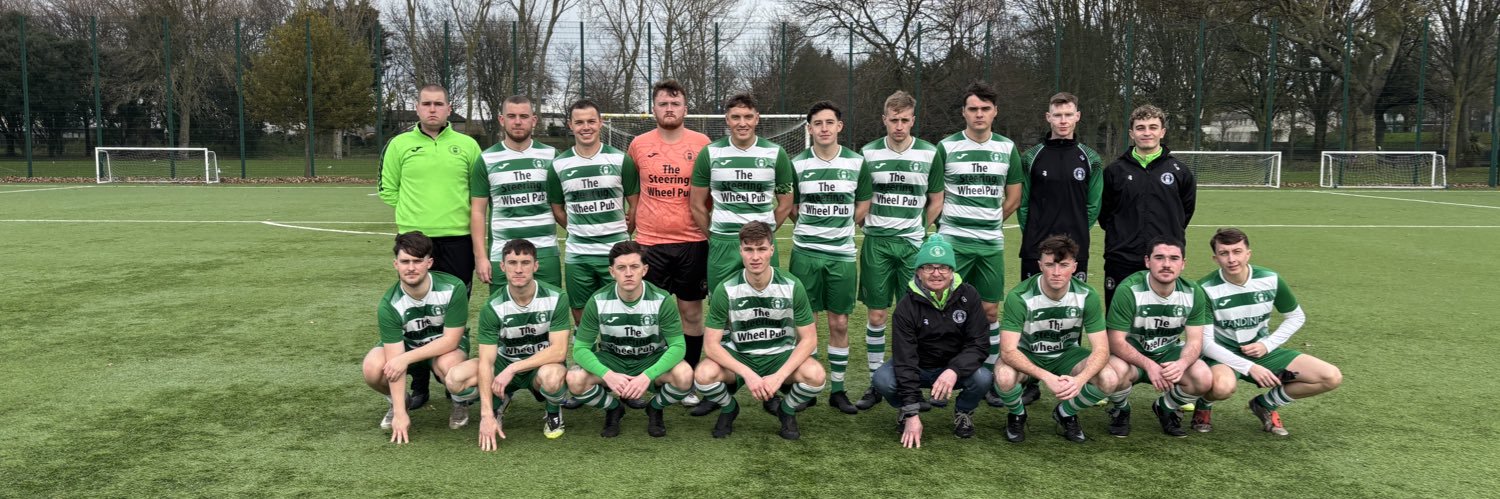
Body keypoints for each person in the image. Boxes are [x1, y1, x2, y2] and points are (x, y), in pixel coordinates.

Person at [377, 84, 482, 408]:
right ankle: (419, 381)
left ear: (450, 109)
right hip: (415, 239)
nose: (432, 109)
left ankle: (454, 381)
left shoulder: (467, 145)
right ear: (418, 108)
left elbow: (478, 194)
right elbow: (387, 189)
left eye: (439, 104)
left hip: (457, 238)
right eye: (427, 104)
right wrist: (414, 217)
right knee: (416, 309)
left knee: (451, 307)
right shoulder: (399, 145)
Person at [1195, 228, 1342, 436]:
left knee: (1330, 377)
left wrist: (1267, 345)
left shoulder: (1270, 279)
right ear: (1215, 258)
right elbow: (1206, 344)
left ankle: (1265, 404)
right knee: (1222, 388)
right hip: (1222, 355)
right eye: (1224, 253)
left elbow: (1296, 316)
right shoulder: (1204, 289)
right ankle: (1204, 403)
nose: (1231, 259)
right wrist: (1250, 368)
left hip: (1263, 350)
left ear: (1248, 253)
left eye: (1237, 251)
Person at [852, 90, 945, 411]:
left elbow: (937, 199)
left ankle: (911, 380)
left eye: (905, 120)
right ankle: (876, 380)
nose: (899, 126)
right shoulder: (866, 153)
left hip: (912, 247)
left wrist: (920, 228)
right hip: (877, 244)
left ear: (913, 120)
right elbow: (861, 199)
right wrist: (868, 226)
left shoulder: (930, 154)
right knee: (877, 315)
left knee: (917, 318)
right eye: (894, 120)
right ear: (884, 120)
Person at [693, 221, 825, 440]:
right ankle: (728, 408)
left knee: (816, 375)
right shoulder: (725, 289)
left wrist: (779, 376)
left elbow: (809, 339)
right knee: (703, 376)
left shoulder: (792, 285)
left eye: (762, 249)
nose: (755, 257)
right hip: (741, 356)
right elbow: (711, 345)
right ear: (740, 251)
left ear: (771, 250)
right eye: (749, 249)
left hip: (779, 356)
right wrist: (748, 374)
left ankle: (787, 410)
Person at [1014, 92, 1103, 408]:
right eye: (1057, 115)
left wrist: (1074, 239)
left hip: (1074, 249)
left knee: (1072, 312)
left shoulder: (1090, 157)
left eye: (1068, 115)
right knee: (1030, 313)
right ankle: (1030, 380)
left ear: (1077, 116)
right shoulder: (1031, 156)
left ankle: (1069, 375)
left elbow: (1093, 205)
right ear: (1048, 117)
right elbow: (1022, 205)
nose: (1063, 120)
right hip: (1036, 246)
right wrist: (1036, 238)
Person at [936, 81, 1023, 402]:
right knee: (945, 309)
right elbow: (935, 196)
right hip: (952, 244)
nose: (979, 114)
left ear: (995, 112)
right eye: (973, 109)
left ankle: (986, 377)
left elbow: (1014, 197)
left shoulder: (1007, 148)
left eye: (985, 109)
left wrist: (989, 221)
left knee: (988, 311)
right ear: (964, 112)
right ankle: (943, 373)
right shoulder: (946, 148)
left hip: (989, 245)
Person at [629, 80, 713, 409]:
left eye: (675, 104)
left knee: (691, 312)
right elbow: (630, 187)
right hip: (650, 243)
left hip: (692, 241)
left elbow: (709, 191)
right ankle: (649, 377)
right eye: (663, 104)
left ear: (685, 109)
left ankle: (688, 376)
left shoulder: (702, 143)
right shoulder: (638, 144)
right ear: (654, 109)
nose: (669, 109)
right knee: (649, 314)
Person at [441, 239, 572, 449]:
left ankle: (553, 412)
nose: (518, 269)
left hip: (537, 367)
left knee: (553, 377)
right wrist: (484, 415)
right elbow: (486, 361)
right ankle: (496, 404)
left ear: (536, 266)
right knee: (455, 380)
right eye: (512, 263)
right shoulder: (492, 306)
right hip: (503, 363)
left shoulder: (556, 297)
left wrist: (513, 368)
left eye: (525, 262)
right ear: (502, 267)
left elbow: (558, 351)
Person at [993, 234, 1117, 444]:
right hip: (1027, 353)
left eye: (1064, 265)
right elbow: (1008, 351)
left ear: (1075, 267)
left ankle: (1065, 412)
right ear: (1040, 265)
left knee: (1109, 379)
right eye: (1050, 265)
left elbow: (1102, 350)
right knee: (1004, 376)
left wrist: (1080, 379)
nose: (1057, 272)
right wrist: (1046, 377)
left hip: (1066, 354)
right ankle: (1017, 414)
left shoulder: (1087, 295)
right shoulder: (1020, 296)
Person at [871, 235, 992, 447]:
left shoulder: (969, 295)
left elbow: (979, 344)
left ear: (952, 270)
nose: (937, 273)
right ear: (918, 271)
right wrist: (911, 415)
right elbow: (905, 358)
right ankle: (907, 407)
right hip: (918, 367)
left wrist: (953, 370)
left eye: (943, 267)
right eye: (928, 267)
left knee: (983, 378)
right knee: (883, 380)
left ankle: (963, 411)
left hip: (952, 370)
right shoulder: (906, 306)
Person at [566, 241, 694, 437]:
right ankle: (613, 408)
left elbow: (678, 346)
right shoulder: (598, 300)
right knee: (575, 379)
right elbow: (580, 349)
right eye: (621, 268)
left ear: (645, 269)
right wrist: (608, 374)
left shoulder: (662, 299)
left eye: (634, 266)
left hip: (650, 358)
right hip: (613, 359)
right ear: (611, 272)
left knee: (684, 376)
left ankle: (655, 407)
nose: (628, 273)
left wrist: (647, 376)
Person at [788, 101, 865, 414]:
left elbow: (863, 203)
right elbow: (791, 206)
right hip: (805, 254)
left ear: (839, 126)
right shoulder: (796, 163)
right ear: (809, 128)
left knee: (840, 323)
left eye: (829, 122)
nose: (823, 128)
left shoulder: (857, 163)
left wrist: (839, 228)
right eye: (817, 123)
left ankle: (838, 388)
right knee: (808, 323)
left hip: (841, 256)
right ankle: (810, 385)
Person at [361, 231, 472, 444]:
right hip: (406, 347)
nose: (411, 267)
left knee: (450, 367)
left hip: (444, 349)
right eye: (405, 261)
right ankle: (399, 402)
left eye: (417, 261)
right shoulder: (389, 304)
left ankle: (459, 401)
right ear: (396, 264)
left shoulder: (453, 288)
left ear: (429, 262)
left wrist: (405, 359)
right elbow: (395, 358)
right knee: (372, 368)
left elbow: (451, 340)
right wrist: (402, 414)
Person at [1101, 237, 1213, 438]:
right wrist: (1149, 365)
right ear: (1147, 261)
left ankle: (1165, 407)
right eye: (1159, 258)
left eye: (1174, 258)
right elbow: (1115, 341)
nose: (1167, 264)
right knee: (1113, 373)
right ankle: (1121, 408)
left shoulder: (1194, 292)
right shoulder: (1129, 289)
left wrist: (1181, 363)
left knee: (1203, 377)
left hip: (1167, 353)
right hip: (1131, 356)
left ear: (1183, 264)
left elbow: (1195, 341)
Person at [688, 93, 794, 297]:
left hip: (761, 244)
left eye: (748, 116)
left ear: (757, 118)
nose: (742, 123)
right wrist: (715, 237)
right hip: (723, 243)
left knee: (764, 305)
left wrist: (766, 232)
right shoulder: (710, 153)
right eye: (736, 117)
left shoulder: (776, 153)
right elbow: (697, 205)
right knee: (722, 308)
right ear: (727, 120)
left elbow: (785, 204)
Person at [550, 99, 639, 322]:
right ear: (570, 125)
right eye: (579, 122)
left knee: (619, 312)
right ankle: (585, 356)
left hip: (615, 251)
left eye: (591, 121)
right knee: (581, 313)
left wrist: (622, 230)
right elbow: (557, 208)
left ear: (601, 123)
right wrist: (576, 229)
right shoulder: (559, 164)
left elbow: (635, 204)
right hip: (578, 253)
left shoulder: (620, 160)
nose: (586, 127)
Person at [1099, 104, 1196, 306]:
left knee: (1161, 320)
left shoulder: (1180, 171)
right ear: (1131, 133)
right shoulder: (1114, 171)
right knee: (1117, 321)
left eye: (1153, 127)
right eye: (1140, 127)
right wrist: (1123, 236)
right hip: (1122, 257)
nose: (1147, 133)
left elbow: (1185, 212)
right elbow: (1104, 214)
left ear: (1162, 132)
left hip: (1164, 259)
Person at [470, 95, 561, 293]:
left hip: (544, 252)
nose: (518, 121)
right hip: (503, 254)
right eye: (511, 116)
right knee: (504, 317)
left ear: (534, 120)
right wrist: (481, 257)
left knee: (550, 313)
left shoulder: (552, 156)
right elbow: (477, 211)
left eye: (523, 116)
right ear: (501, 120)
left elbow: (565, 203)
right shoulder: (486, 159)